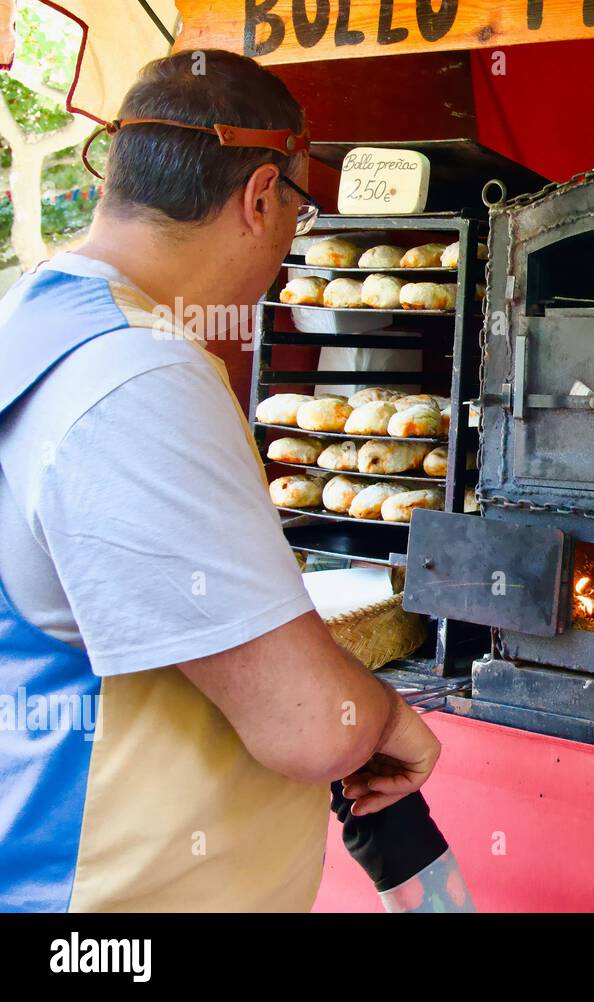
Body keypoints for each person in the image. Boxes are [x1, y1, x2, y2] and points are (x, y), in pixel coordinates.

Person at [0, 50, 448, 912]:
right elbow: (309, 724)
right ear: (259, 197)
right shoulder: (137, 376)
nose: (289, 249)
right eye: (299, 214)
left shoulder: (31, 320)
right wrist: (389, 721)